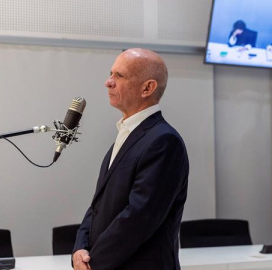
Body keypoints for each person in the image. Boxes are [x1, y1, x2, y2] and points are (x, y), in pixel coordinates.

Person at [72, 48, 189, 270]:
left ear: (148, 87)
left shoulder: (163, 141)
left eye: (120, 76)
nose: (108, 82)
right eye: (111, 73)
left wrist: (93, 263)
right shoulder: (126, 135)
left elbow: (139, 218)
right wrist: (80, 248)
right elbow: (98, 206)